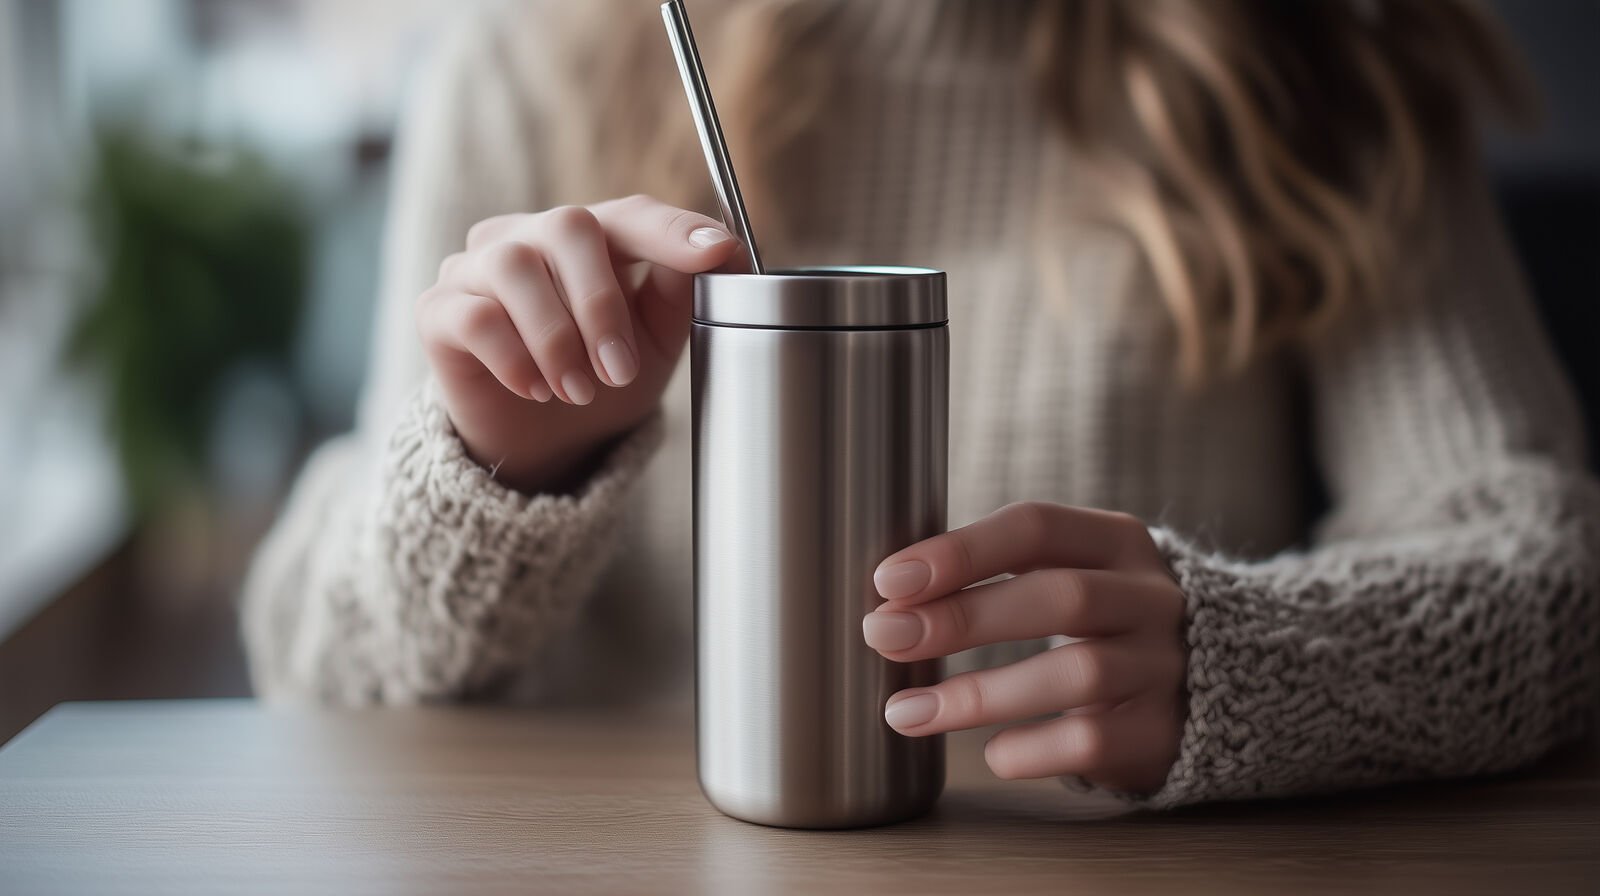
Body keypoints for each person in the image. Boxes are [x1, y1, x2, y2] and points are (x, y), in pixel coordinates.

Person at [243, 0, 1600, 807]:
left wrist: (1256, 666)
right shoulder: (538, 54)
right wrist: (492, 473)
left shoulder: (1325, 56)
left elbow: (1552, 576)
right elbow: (307, 661)